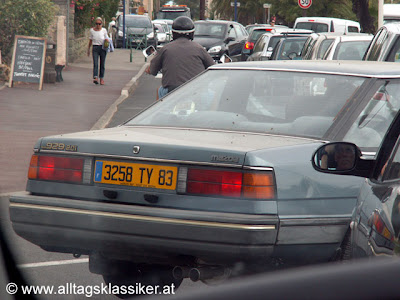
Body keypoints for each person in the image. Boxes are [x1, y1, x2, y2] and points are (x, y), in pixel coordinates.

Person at [145, 16, 215, 99]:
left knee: (159, 91)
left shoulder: (165, 49)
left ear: (173, 33)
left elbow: (153, 70)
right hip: (196, 90)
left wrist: (149, 70)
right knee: (212, 95)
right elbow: (212, 67)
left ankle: (158, 111)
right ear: (192, 33)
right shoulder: (199, 48)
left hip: (172, 90)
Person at [87, 17, 109, 85]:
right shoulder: (92, 30)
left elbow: (107, 38)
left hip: (102, 48)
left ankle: (101, 78)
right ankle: (95, 77)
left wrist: (107, 41)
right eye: (96, 24)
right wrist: (88, 49)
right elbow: (90, 40)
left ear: (102, 24)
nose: (98, 25)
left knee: (102, 64)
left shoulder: (104, 30)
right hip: (95, 47)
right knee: (95, 63)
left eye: (99, 24)